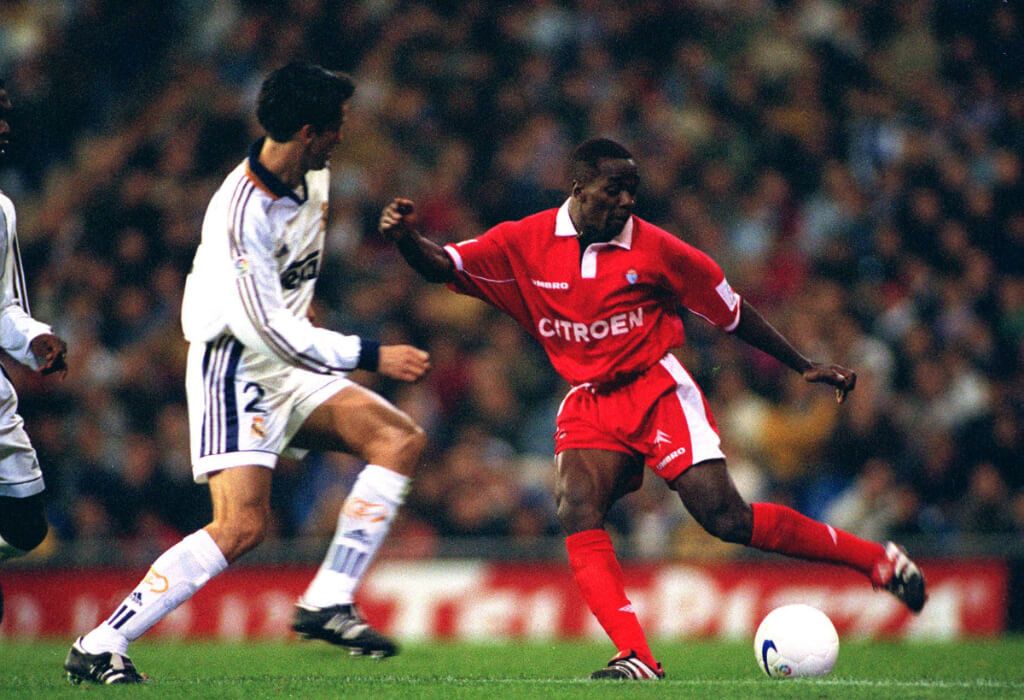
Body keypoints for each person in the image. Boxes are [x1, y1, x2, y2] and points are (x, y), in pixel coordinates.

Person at [379, 138, 926, 681]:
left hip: (655, 389)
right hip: (590, 398)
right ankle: (636, 655)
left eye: (633, 190)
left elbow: (731, 311)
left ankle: (877, 561)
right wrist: (406, 239)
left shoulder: (659, 250)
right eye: (614, 190)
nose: (627, 201)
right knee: (576, 505)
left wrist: (802, 365)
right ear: (579, 188)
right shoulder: (524, 242)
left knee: (724, 518)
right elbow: (442, 265)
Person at [65, 63, 431, 685]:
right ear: (309, 132)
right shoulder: (239, 213)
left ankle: (328, 599)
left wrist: (382, 236)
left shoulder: (314, 177)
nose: (343, 137)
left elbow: (293, 283)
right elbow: (264, 328)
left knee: (398, 438)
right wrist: (370, 354)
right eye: (336, 126)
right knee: (241, 526)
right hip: (236, 366)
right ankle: (102, 642)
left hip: (290, 359)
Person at [0, 78, 69, 622]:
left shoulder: (1, 211)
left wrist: (33, 339)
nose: (5, 128)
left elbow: (4, 304)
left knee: (27, 527)